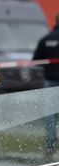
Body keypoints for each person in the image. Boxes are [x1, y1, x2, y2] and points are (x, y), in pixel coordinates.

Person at [33, 13, 59, 155]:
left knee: (50, 115)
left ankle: (50, 147)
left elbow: (36, 59)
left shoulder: (46, 39)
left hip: (50, 80)